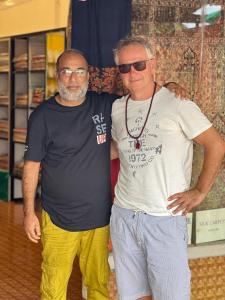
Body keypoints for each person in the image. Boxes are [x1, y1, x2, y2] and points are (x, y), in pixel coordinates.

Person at [110, 36, 225, 300]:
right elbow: (120, 149)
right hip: (125, 215)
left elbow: (216, 145)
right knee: (132, 294)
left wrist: (200, 191)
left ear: (152, 65)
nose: (132, 73)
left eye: (138, 65)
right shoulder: (117, 108)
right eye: (124, 68)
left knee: (171, 295)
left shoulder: (177, 102)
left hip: (164, 217)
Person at [22, 49, 118, 300]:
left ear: (88, 75)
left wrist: (169, 88)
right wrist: (29, 212)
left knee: (98, 286)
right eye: (67, 71)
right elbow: (31, 166)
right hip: (58, 219)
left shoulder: (104, 104)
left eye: (80, 72)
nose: (73, 79)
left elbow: (141, 100)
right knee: (53, 290)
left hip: (99, 218)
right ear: (57, 75)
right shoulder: (43, 116)